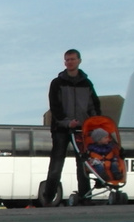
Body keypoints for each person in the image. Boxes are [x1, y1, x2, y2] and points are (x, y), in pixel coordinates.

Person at [42, 49, 101, 205]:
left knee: (83, 164)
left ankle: (85, 196)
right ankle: (48, 197)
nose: (69, 62)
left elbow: (94, 105)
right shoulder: (57, 83)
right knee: (56, 164)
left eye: (72, 59)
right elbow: (54, 106)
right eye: (67, 60)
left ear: (79, 61)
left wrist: (94, 122)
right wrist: (67, 122)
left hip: (81, 130)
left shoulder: (87, 84)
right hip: (61, 130)